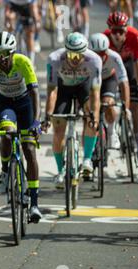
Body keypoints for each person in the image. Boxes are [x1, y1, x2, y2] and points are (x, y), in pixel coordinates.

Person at [0, 31, 42, 223]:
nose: (0, 59)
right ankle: (5, 169)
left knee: (29, 149)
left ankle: (34, 203)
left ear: (12, 52)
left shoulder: (23, 62)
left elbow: (34, 92)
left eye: (4, 54)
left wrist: (36, 121)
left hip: (25, 103)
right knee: (7, 134)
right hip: (5, 103)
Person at [42, 32, 102, 188]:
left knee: (91, 118)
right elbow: (52, 91)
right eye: (71, 54)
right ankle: (61, 170)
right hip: (63, 89)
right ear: (65, 51)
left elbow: (95, 94)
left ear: (85, 53)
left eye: (79, 55)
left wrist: (94, 116)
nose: (74, 60)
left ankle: (87, 159)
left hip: (84, 87)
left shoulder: (94, 60)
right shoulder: (54, 59)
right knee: (58, 128)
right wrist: (48, 115)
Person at [104, 12, 138, 161]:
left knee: (135, 105)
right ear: (109, 30)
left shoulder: (135, 36)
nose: (118, 35)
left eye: (121, 31)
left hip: (129, 64)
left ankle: (137, 138)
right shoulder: (104, 39)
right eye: (114, 31)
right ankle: (109, 133)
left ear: (127, 29)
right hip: (111, 68)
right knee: (107, 102)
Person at [89, 33, 130, 149]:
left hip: (108, 80)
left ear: (107, 51)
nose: (99, 57)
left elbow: (124, 82)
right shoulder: (85, 57)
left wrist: (126, 108)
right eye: (95, 54)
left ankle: (112, 133)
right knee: (88, 112)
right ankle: (89, 151)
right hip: (92, 81)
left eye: (102, 53)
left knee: (108, 102)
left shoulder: (115, 57)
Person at [4, 0, 40, 64]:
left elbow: (34, 7)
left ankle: (31, 62)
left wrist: (36, 21)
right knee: (9, 19)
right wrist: (7, 20)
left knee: (29, 34)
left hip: (27, 5)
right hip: (14, 5)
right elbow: (7, 9)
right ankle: (10, 50)